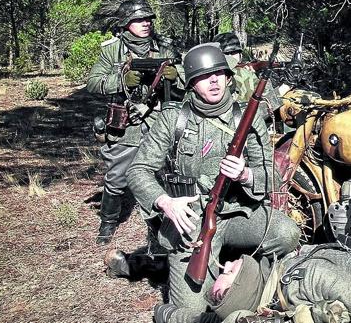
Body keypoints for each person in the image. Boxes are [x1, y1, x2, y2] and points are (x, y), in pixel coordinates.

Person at [153, 82, 351, 323]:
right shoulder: (304, 279)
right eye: (227, 273)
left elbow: (196, 320)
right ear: (240, 288)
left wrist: (162, 312)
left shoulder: (256, 313)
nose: (227, 264)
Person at [126, 43, 301, 323]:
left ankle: (248, 278)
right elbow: (138, 171)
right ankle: (166, 311)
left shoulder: (247, 115)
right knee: (194, 313)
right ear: (192, 83)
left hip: (238, 214)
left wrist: (246, 175)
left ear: (229, 77)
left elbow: (272, 176)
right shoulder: (174, 119)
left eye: (219, 73)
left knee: (287, 233)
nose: (214, 81)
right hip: (192, 222)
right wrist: (166, 202)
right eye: (205, 76)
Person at [86, 0, 181, 244]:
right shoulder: (112, 51)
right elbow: (93, 83)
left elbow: (187, 83)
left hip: (159, 122)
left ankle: (161, 227)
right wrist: (121, 81)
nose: (146, 23)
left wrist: (176, 77)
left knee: (165, 174)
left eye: (148, 18)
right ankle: (108, 222)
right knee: (117, 176)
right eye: (139, 19)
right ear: (126, 23)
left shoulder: (165, 48)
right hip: (126, 124)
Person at [212, 32, 282, 114]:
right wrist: (286, 86)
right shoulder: (216, 78)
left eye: (234, 52)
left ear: (240, 55)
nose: (230, 57)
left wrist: (264, 78)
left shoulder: (246, 72)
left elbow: (265, 98)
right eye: (226, 53)